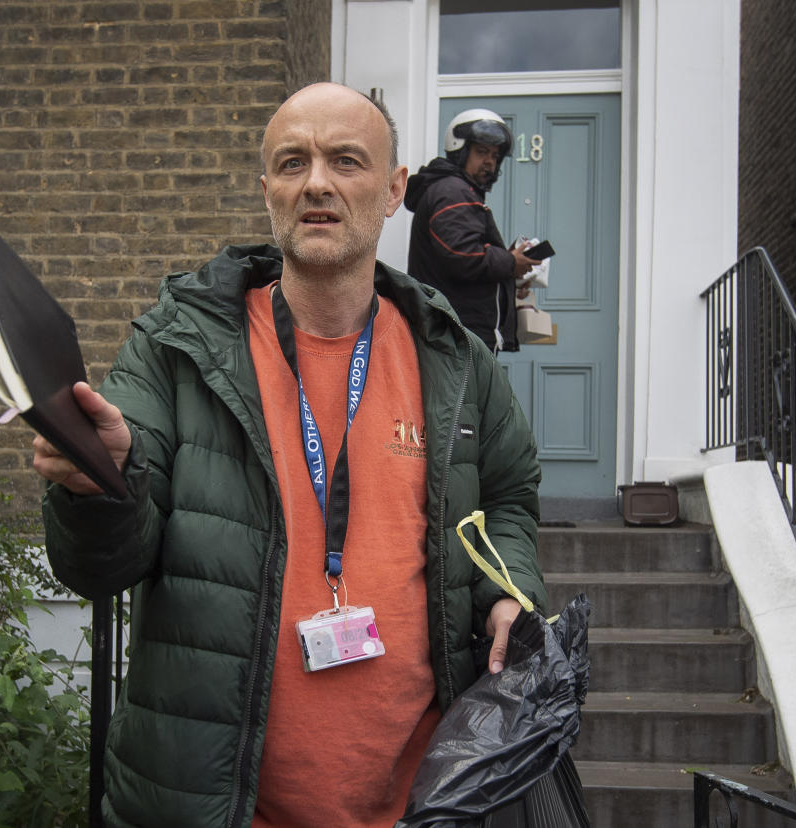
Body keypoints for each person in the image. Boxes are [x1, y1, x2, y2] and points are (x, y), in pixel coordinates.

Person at [33, 82, 545, 828]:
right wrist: (101, 485)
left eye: (346, 161)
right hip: (211, 807)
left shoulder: (457, 362)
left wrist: (507, 588)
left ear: (396, 188)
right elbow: (101, 566)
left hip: (422, 807)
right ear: (266, 186)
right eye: (292, 162)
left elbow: (509, 495)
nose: (317, 183)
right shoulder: (176, 349)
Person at [403, 108, 540, 353]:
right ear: (460, 149)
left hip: (456, 333)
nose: (489, 161)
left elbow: (462, 255)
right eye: (482, 152)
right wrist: (510, 262)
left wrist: (512, 275)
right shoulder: (453, 192)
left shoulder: (454, 190)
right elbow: (463, 254)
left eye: (495, 155)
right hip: (457, 336)